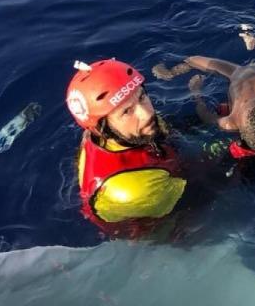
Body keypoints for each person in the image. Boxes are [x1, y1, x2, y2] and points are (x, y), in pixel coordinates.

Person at [66, 59, 186, 237]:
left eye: (142, 97)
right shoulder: (134, 191)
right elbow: (195, 198)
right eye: (126, 111)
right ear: (101, 128)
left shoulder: (110, 133)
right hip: (162, 228)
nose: (146, 114)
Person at [152, 34, 255, 159]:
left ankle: (170, 74)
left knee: (192, 60)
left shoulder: (229, 123)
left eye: (250, 103)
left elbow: (206, 115)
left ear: (241, 125)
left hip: (236, 74)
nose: (252, 99)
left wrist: (196, 92)